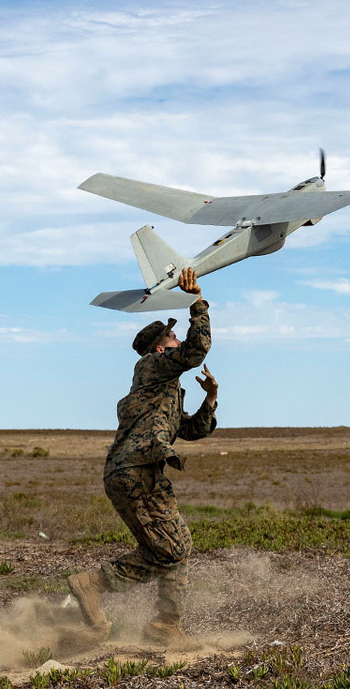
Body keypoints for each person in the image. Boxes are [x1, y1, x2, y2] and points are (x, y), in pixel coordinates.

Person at [67, 266, 218, 649]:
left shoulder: (162, 388)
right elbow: (197, 350)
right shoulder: (150, 367)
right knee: (172, 549)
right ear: (159, 348)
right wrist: (197, 303)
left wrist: (211, 399)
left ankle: (164, 624)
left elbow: (191, 430)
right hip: (136, 471)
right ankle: (97, 585)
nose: (178, 338)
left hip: (136, 471)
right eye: (172, 335)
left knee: (173, 548)